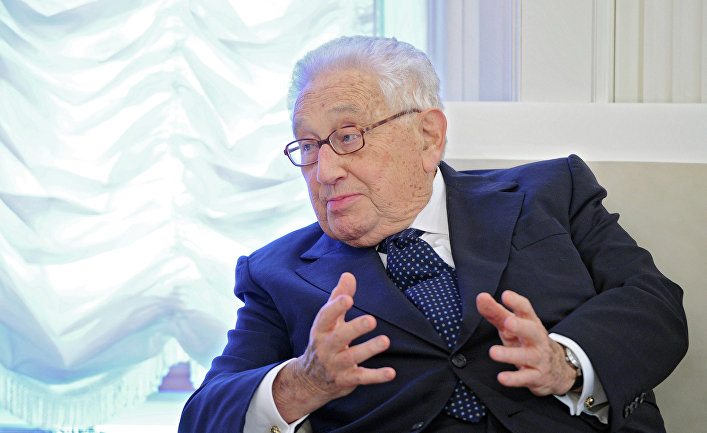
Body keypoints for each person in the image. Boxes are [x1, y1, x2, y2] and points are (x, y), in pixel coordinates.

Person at [178, 36, 688, 433]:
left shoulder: (549, 192)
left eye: (348, 137)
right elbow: (204, 416)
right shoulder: (277, 273)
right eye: (308, 146)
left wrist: (565, 362)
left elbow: (653, 303)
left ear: (428, 136)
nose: (325, 171)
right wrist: (303, 383)